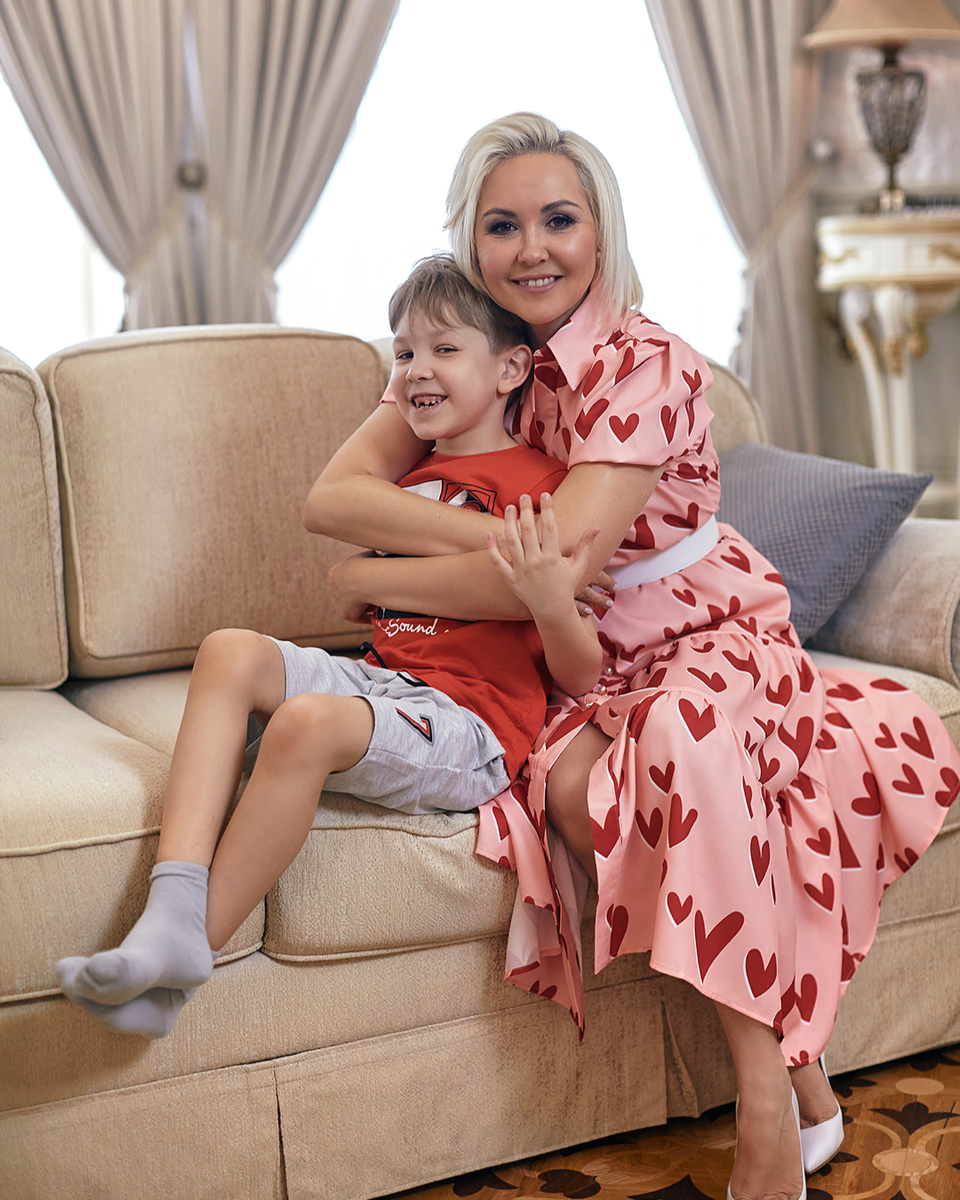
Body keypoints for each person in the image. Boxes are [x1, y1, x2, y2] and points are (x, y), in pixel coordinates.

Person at [307, 113, 960, 1200]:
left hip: (706, 634)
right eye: (502, 225)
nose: (532, 249)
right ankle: (805, 1064)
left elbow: (559, 559)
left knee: (676, 747)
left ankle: (763, 1095)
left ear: (600, 231)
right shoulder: (464, 351)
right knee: (571, 792)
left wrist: (376, 578)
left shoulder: (646, 362)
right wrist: (464, 554)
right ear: (472, 239)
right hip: (572, 652)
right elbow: (335, 498)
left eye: (558, 220)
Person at [55, 252, 601, 1042]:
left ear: (512, 367)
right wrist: (362, 579)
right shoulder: (402, 481)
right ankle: (169, 912)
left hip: (472, 727)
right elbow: (360, 578)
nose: (417, 369)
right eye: (404, 352)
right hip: (385, 682)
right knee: (229, 650)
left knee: (305, 722)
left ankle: (188, 957)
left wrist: (547, 601)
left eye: (445, 348)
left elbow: (580, 667)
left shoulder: (544, 488)